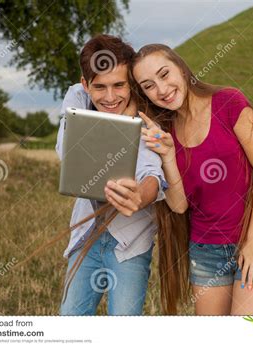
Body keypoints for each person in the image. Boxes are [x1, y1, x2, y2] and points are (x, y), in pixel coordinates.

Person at [131, 44, 253, 315]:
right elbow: (179, 206)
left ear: (181, 68)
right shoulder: (164, 133)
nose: (162, 89)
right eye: (149, 85)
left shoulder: (229, 102)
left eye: (165, 74)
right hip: (206, 250)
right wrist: (167, 155)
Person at [55, 35, 168, 315]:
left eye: (119, 85)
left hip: (130, 242)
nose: (109, 96)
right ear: (85, 84)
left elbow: (151, 174)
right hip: (86, 235)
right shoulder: (78, 97)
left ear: (131, 81)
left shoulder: (147, 119)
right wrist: (119, 119)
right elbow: (65, 152)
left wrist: (140, 195)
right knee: (71, 319)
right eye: (100, 87)